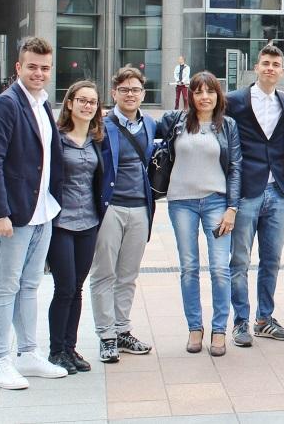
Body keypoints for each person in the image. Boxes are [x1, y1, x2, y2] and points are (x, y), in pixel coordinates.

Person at [0, 37, 68, 389]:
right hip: (11, 215)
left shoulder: (42, 103)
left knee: (29, 285)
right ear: (18, 67)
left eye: (45, 68)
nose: (39, 73)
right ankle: (0, 360)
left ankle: (28, 353)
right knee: (5, 287)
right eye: (32, 66)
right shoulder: (5, 105)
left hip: (41, 211)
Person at [159, 72, 241, 356]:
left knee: (220, 269)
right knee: (189, 268)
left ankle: (219, 329)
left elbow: (235, 168)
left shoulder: (227, 125)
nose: (204, 96)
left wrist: (232, 208)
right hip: (181, 203)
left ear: (218, 95)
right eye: (198, 92)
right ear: (191, 96)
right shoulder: (177, 122)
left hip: (216, 202)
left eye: (210, 91)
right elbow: (143, 125)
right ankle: (195, 327)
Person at [226, 44, 284, 346]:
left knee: (272, 260)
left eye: (275, 64)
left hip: (277, 192)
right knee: (239, 260)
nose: (270, 68)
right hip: (247, 192)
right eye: (265, 63)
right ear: (256, 67)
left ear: (282, 70)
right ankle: (240, 322)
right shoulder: (235, 100)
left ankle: (265, 318)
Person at [92, 66, 157, 364]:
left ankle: (122, 330)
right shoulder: (102, 125)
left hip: (141, 207)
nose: (130, 95)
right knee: (105, 272)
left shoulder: (150, 124)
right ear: (114, 93)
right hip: (111, 208)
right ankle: (106, 335)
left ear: (143, 94)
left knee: (128, 275)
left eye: (135, 90)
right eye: (125, 90)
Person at [47, 81, 105, 375]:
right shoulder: (56, 140)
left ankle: (70, 348)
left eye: (92, 102)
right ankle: (56, 350)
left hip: (89, 223)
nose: (87, 106)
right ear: (69, 103)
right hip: (61, 224)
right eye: (81, 100)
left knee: (77, 288)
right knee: (65, 287)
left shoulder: (97, 140)